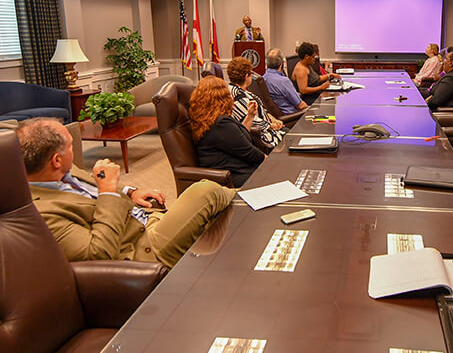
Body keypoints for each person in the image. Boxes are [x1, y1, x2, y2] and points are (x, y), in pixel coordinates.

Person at [17, 119, 236, 267]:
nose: (75, 152)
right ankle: (247, 195)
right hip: (144, 247)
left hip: (146, 217)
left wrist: (130, 191)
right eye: (72, 146)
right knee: (205, 190)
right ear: (56, 160)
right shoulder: (41, 212)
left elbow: (95, 185)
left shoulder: (65, 171)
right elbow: (98, 254)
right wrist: (108, 193)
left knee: (219, 218)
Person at [189, 76, 266, 188]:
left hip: (234, 171)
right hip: (235, 177)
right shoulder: (220, 124)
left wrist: (250, 116)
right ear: (223, 97)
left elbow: (239, 136)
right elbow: (250, 152)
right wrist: (272, 162)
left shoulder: (208, 121)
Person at [227, 57, 285, 149]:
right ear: (246, 76)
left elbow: (260, 111)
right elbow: (251, 120)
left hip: (269, 130)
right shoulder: (237, 95)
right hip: (263, 137)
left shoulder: (243, 90)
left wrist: (273, 119)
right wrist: (271, 125)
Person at [292, 41, 341, 106]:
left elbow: (316, 79)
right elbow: (303, 90)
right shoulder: (301, 69)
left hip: (316, 96)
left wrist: (329, 75)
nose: (314, 59)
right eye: (313, 56)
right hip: (310, 100)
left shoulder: (307, 65)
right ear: (307, 56)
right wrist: (321, 87)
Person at [263, 48, 308, 115]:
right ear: (282, 63)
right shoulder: (284, 81)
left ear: (266, 63)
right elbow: (300, 105)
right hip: (291, 117)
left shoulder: (263, 78)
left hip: (275, 117)